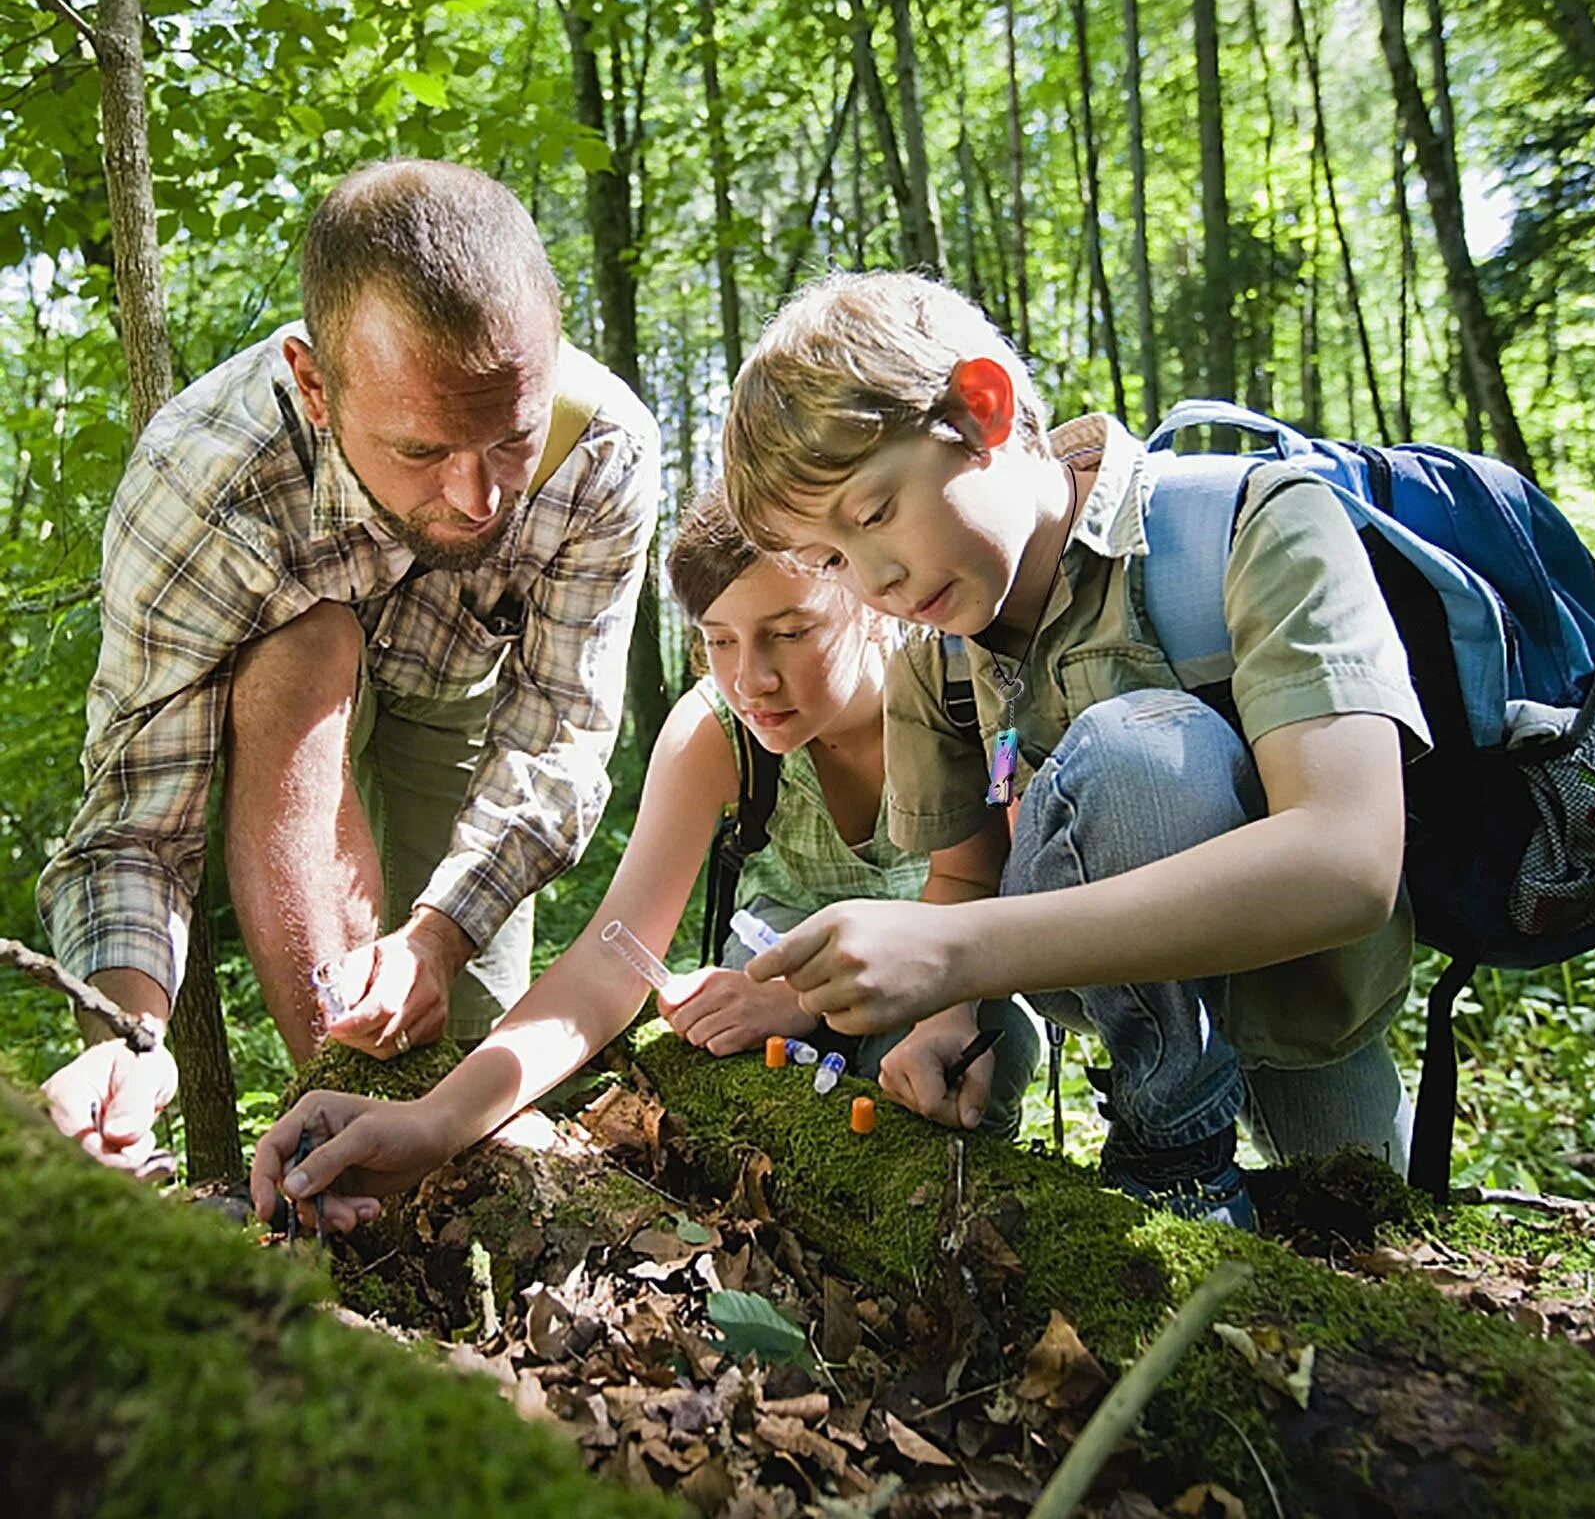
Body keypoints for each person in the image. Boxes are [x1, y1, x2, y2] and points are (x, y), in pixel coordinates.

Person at [719, 270, 1426, 1229]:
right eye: (834, 561)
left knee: (1380, 1237)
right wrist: (947, 1018)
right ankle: (1174, 1159)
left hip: (1309, 1007)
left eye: (875, 513)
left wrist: (959, 955)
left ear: (983, 408)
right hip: (1137, 1032)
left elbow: (1350, 861)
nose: (876, 580)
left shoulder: (1255, 525)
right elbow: (965, 878)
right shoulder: (935, 657)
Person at [37, 159, 660, 1175]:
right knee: (304, 645)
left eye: (510, 437)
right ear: (316, 386)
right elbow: (136, 824)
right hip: (287, 710)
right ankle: (333, 1123)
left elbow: (558, 731)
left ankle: (453, 1214)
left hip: (461, 703)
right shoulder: (203, 483)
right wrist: (128, 1034)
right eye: (421, 449)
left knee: (467, 1055)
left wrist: (440, 935)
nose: (478, 497)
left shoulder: (604, 452)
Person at [248, 486, 1040, 1235]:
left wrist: (806, 1004)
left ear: (866, 599)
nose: (752, 679)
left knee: (991, 1047)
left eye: (790, 632)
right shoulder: (716, 733)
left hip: (938, 979)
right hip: (762, 979)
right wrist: (435, 1121)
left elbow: (982, 899)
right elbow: (607, 965)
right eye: (719, 641)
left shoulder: (950, 696)